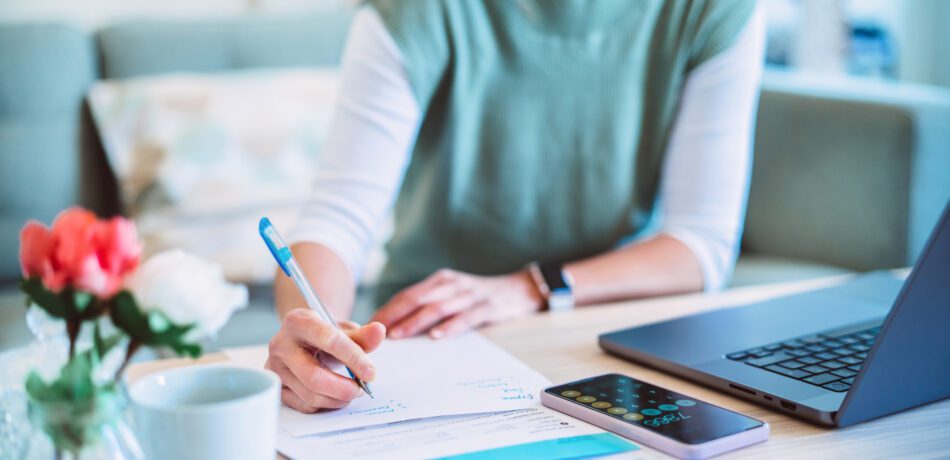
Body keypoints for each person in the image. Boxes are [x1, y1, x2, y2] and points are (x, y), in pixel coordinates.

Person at [266, 0, 765, 413]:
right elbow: (337, 216)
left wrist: (530, 287)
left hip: (616, 330)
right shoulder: (415, 10)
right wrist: (315, 333)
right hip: (427, 334)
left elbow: (701, 245)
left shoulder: (714, 10)